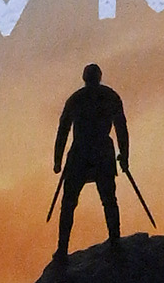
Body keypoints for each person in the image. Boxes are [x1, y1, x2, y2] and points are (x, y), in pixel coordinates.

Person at [52, 63, 132, 256]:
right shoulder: (110, 96)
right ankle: (114, 241)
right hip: (99, 152)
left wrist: (58, 160)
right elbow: (121, 127)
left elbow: (63, 130)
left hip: (81, 152)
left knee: (71, 203)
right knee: (107, 200)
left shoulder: (76, 99)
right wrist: (124, 155)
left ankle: (63, 249)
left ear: (84, 78)